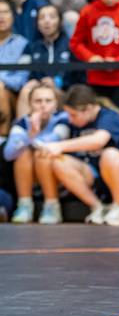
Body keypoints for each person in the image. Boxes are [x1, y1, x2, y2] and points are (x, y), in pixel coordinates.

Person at [37, 84, 119, 226]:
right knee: (57, 161)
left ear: (88, 108)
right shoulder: (73, 123)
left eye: (73, 115)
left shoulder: (111, 117)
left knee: (109, 155)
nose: (70, 119)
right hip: (95, 176)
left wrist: (60, 146)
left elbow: (98, 141)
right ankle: (97, 207)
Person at [5, 84, 70, 224]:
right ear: (30, 104)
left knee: (43, 154)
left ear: (56, 103)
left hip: (61, 174)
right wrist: (30, 134)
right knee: (22, 153)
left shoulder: (63, 118)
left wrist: (31, 138)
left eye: (48, 101)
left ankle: (52, 206)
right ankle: (25, 206)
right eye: (38, 101)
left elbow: (56, 139)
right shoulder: (22, 122)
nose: (43, 105)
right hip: (33, 175)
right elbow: (8, 154)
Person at [18, 5, 76, 118]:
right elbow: (27, 73)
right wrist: (34, 81)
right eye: (42, 18)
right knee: (26, 90)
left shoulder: (71, 45)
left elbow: (79, 76)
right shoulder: (33, 47)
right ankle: (22, 130)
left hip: (64, 92)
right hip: (39, 90)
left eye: (52, 17)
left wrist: (58, 82)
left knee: (50, 94)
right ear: (37, 23)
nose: (47, 21)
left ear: (60, 21)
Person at [0, 1, 30, 136]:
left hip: (11, 95)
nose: (1, 16)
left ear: (13, 17)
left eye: (5, 12)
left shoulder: (23, 44)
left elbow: (20, 80)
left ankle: (2, 137)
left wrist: (1, 82)